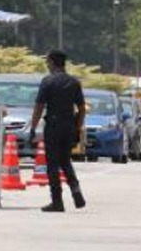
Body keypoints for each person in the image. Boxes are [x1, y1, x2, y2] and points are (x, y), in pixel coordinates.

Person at [29, 51, 87, 213]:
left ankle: (57, 201)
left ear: (53, 63)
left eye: (48, 62)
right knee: (65, 161)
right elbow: (82, 108)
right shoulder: (74, 82)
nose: (47, 65)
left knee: (53, 164)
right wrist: (77, 127)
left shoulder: (47, 81)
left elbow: (39, 106)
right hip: (69, 125)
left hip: (53, 126)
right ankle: (76, 191)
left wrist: (33, 127)